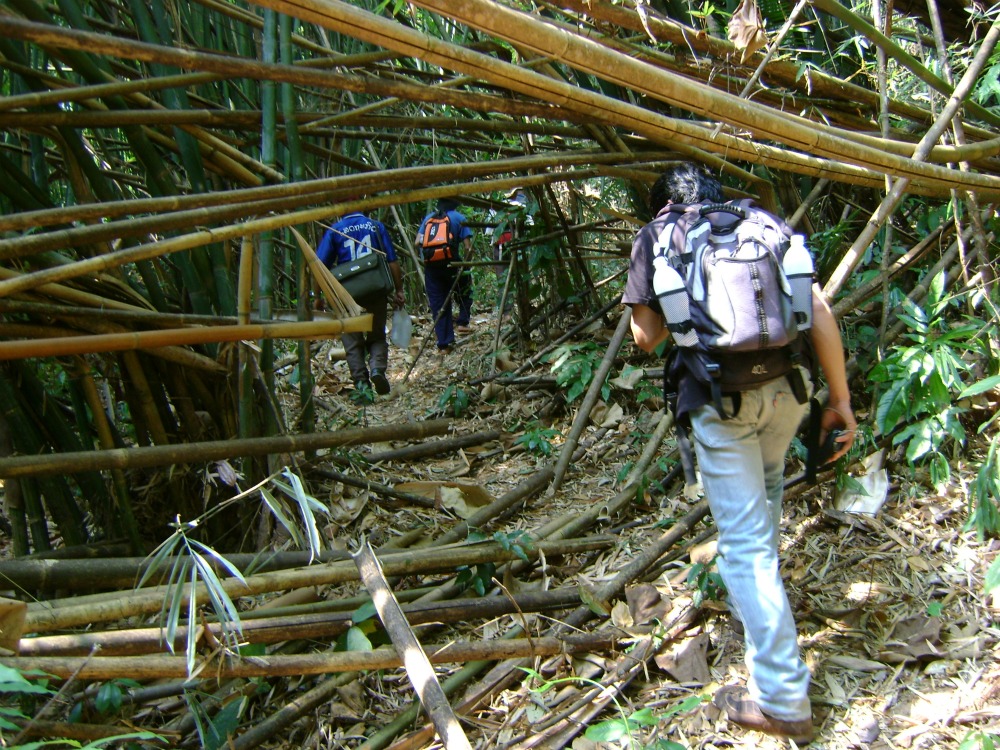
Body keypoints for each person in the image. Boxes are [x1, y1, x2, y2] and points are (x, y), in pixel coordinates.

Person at [623, 162, 857, 744]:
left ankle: (782, 700)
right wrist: (842, 402)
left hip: (720, 403)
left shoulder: (657, 236)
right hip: (787, 395)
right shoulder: (761, 222)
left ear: (659, 202)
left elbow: (646, 338)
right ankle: (766, 640)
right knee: (764, 524)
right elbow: (818, 311)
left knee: (746, 547)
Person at [317, 211, 404, 398]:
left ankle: (362, 386)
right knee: (377, 335)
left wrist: (316, 295)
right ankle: (377, 370)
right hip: (375, 287)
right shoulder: (375, 226)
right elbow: (392, 261)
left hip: (347, 293)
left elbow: (319, 264)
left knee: (352, 342)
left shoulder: (335, 230)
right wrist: (398, 290)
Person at [416, 197, 473, 351]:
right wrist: (466, 264)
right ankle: (462, 323)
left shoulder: (429, 218)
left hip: (432, 267)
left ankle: (444, 342)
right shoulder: (458, 217)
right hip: (452, 263)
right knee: (465, 290)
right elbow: (468, 246)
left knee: (438, 303)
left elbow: (417, 242)